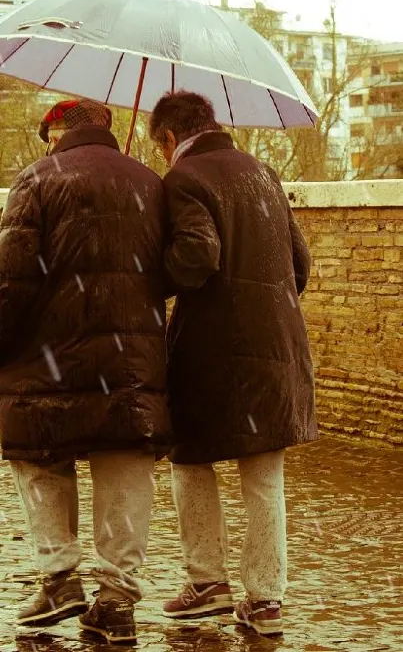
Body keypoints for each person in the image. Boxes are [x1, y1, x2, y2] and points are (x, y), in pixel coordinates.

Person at [0, 98, 171, 645]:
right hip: (130, 358)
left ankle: (58, 578)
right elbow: (171, 271)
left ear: (55, 132)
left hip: (49, 357)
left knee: (39, 456)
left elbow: (13, 278)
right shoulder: (151, 183)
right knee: (125, 463)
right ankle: (117, 599)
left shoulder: (37, 179)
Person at [149, 90, 317, 638]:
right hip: (278, 345)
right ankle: (266, 600)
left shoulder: (183, 179)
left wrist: (155, 279)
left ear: (169, 138)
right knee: (264, 472)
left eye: (159, 149)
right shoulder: (262, 172)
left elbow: (198, 256)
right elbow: (300, 263)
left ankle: (206, 582)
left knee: (189, 458)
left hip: (213, 349)